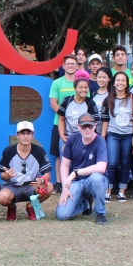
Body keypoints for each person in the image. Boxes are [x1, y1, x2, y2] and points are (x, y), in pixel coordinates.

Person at [101, 72, 133, 201]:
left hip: (128, 135)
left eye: (123, 80)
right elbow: (105, 120)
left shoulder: (132, 97)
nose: (120, 83)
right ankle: (108, 190)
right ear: (114, 82)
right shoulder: (108, 99)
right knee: (112, 163)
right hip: (113, 135)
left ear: (127, 83)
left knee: (125, 163)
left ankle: (122, 191)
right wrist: (102, 137)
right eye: (118, 80)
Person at [55, 113, 109, 224]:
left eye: (90, 126)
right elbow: (64, 165)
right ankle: (84, 204)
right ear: (78, 126)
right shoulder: (72, 139)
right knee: (62, 215)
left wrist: (76, 172)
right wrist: (65, 188)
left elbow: (101, 167)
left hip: (94, 181)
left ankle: (100, 213)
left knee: (96, 178)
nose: (87, 129)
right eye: (84, 126)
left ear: (95, 125)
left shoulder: (100, 141)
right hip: (76, 182)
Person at [0, 121, 54, 221]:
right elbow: (2, 175)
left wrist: (42, 180)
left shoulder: (39, 151)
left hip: (32, 185)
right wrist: (7, 175)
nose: (26, 136)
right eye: (22, 133)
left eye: (28, 133)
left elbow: (47, 173)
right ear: (17, 135)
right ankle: (12, 207)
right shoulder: (8, 151)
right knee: (2, 197)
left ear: (33, 135)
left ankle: (31, 207)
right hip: (13, 186)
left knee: (49, 187)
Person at [49, 55, 79, 183]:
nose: (70, 66)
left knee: (77, 153)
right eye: (68, 63)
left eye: (73, 63)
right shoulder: (57, 83)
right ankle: (59, 182)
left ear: (77, 66)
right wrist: (65, 116)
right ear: (63, 66)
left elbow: (86, 101)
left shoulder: (81, 83)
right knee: (59, 155)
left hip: (78, 125)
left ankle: (74, 180)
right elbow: (53, 103)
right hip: (59, 123)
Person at [57, 75, 101, 156]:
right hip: (67, 137)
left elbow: (94, 124)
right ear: (75, 88)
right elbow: (61, 119)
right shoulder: (67, 100)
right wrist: (62, 135)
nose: (83, 90)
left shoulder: (90, 103)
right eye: (80, 87)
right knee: (65, 161)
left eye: (86, 87)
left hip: (84, 139)